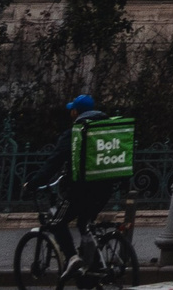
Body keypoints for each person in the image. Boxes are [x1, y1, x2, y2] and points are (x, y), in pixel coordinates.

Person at [35, 96, 118, 267]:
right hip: (105, 188)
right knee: (84, 224)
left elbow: (54, 162)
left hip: (81, 190)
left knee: (57, 223)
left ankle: (72, 259)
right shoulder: (104, 130)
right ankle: (93, 265)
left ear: (75, 112)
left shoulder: (75, 133)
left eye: (72, 109)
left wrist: (33, 182)